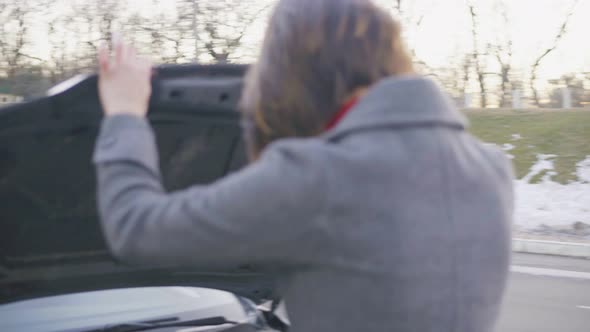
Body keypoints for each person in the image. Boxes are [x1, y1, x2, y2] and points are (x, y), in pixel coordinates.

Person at [94, 0, 514, 331]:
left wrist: (125, 113)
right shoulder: (492, 168)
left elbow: (136, 229)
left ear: (293, 75)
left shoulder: (320, 176)